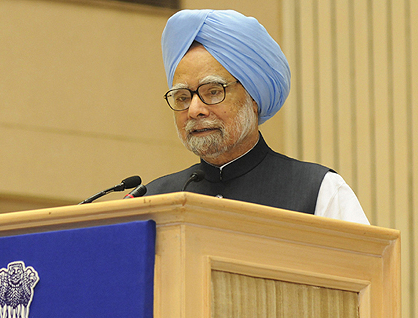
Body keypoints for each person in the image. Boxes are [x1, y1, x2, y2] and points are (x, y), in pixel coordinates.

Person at [145, 9, 369, 224]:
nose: (194, 110)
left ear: (253, 98)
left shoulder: (318, 190)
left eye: (213, 92)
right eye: (183, 97)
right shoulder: (154, 201)